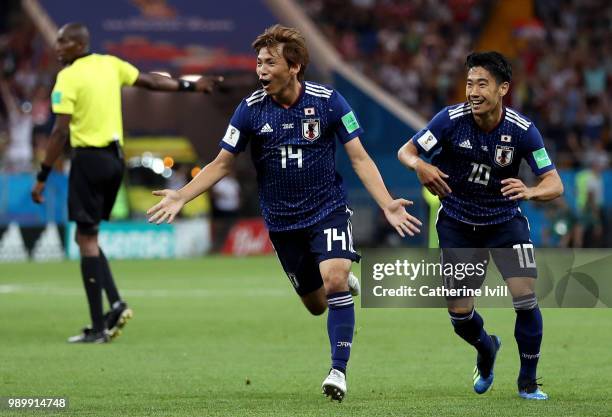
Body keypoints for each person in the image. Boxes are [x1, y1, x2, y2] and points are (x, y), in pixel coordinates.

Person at [147, 24, 422, 401]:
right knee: (315, 305)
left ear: (294, 66)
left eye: (269, 62)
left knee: (336, 279)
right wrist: (181, 196)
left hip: (327, 209)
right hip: (281, 222)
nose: (260, 70)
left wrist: (387, 202)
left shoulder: (329, 102)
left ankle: (338, 371)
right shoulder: (249, 110)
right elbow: (222, 164)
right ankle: (336, 282)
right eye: (258, 62)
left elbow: (359, 158)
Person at [31, 23, 222, 344]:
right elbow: (149, 82)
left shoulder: (67, 77)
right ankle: (115, 305)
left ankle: (97, 327)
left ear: (79, 44)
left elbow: (60, 132)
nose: (58, 45)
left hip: (88, 160)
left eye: (64, 41)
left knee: (86, 239)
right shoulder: (111, 64)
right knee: (87, 237)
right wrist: (191, 87)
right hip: (114, 162)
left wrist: (42, 176)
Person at [398, 51, 563, 400]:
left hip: (505, 223)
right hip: (458, 223)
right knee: (459, 314)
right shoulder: (449, 121)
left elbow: (555, 183)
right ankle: (487, 349)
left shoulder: (521, 131)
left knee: (525, 297)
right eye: (469, 83)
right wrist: (420, 166)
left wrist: (531, 191)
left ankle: (528, 383)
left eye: (481, 84)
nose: (473, 91)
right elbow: (406, 151)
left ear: (503, 88)